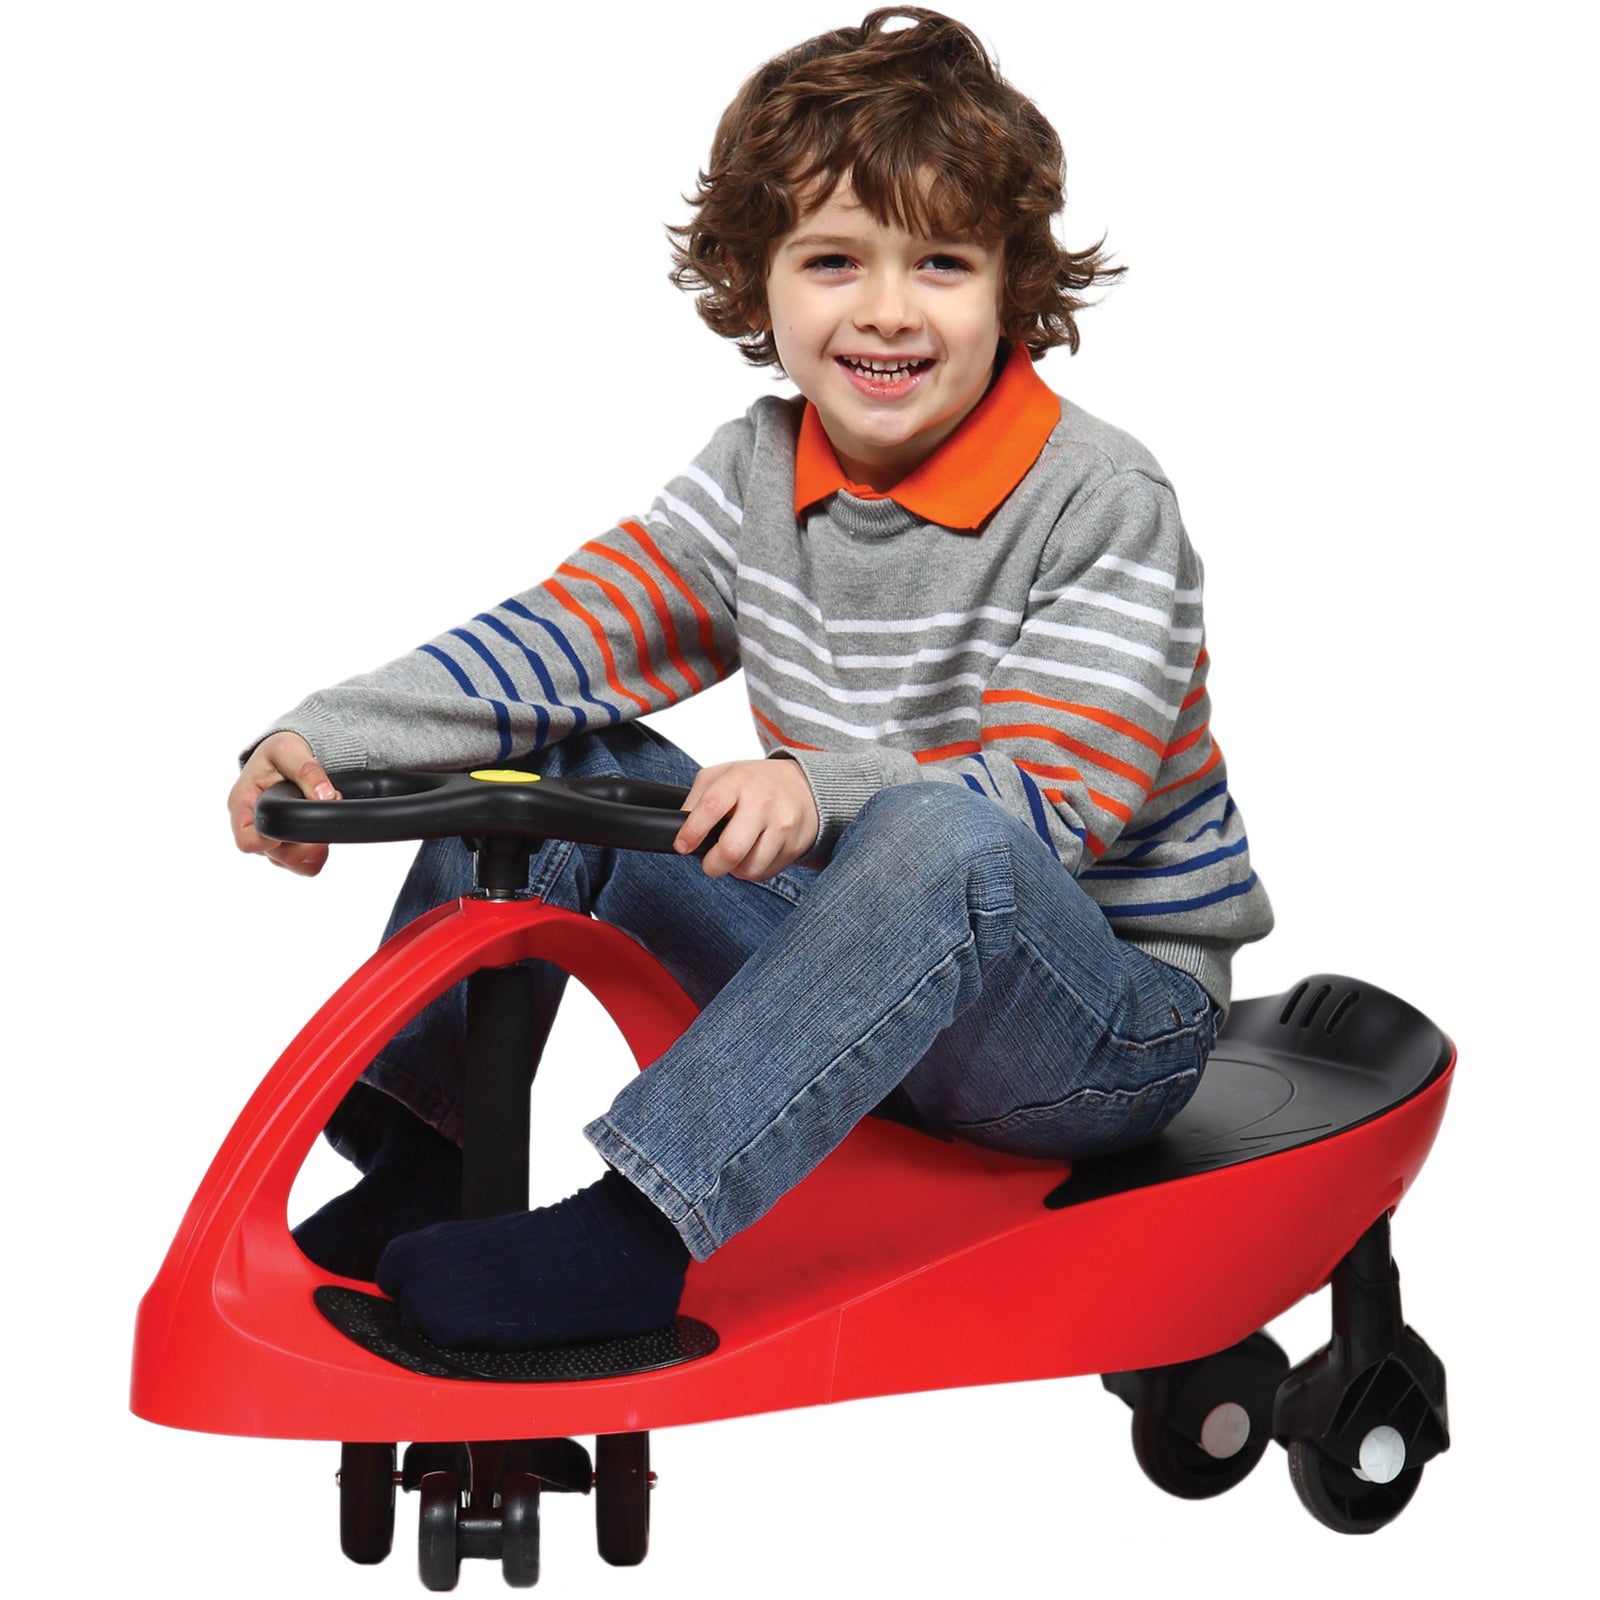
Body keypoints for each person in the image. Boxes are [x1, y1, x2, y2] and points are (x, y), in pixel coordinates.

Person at [229, 7, 1273, 1352]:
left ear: (1010, 285)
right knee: (562, 758)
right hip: (861, 964)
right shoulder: (755, 476)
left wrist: (816, 790)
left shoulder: (1098, 498)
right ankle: (425, 1156)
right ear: (758, 280)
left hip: (1094, 1028)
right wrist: (324, 740)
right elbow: (564, 638)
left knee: (942, 834)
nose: (887, 310)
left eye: (941, 263)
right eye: (835, 261)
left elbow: (1058, 802)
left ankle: (638, 1236)